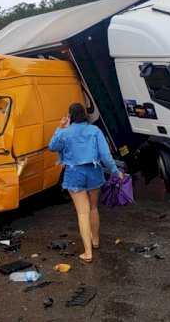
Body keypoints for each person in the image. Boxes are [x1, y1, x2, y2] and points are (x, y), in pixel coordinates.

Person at [48, 103, 124, 263]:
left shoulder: (65, 133)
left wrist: (60, 127)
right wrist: (116, 172)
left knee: (82, 213)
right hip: (94, 171)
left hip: (74, 173)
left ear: (70, 116)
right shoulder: (95, 131)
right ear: (84, 115)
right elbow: (105, 155)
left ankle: (88, 252)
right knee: (93, 207)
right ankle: (95, 241)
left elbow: (52, 147)